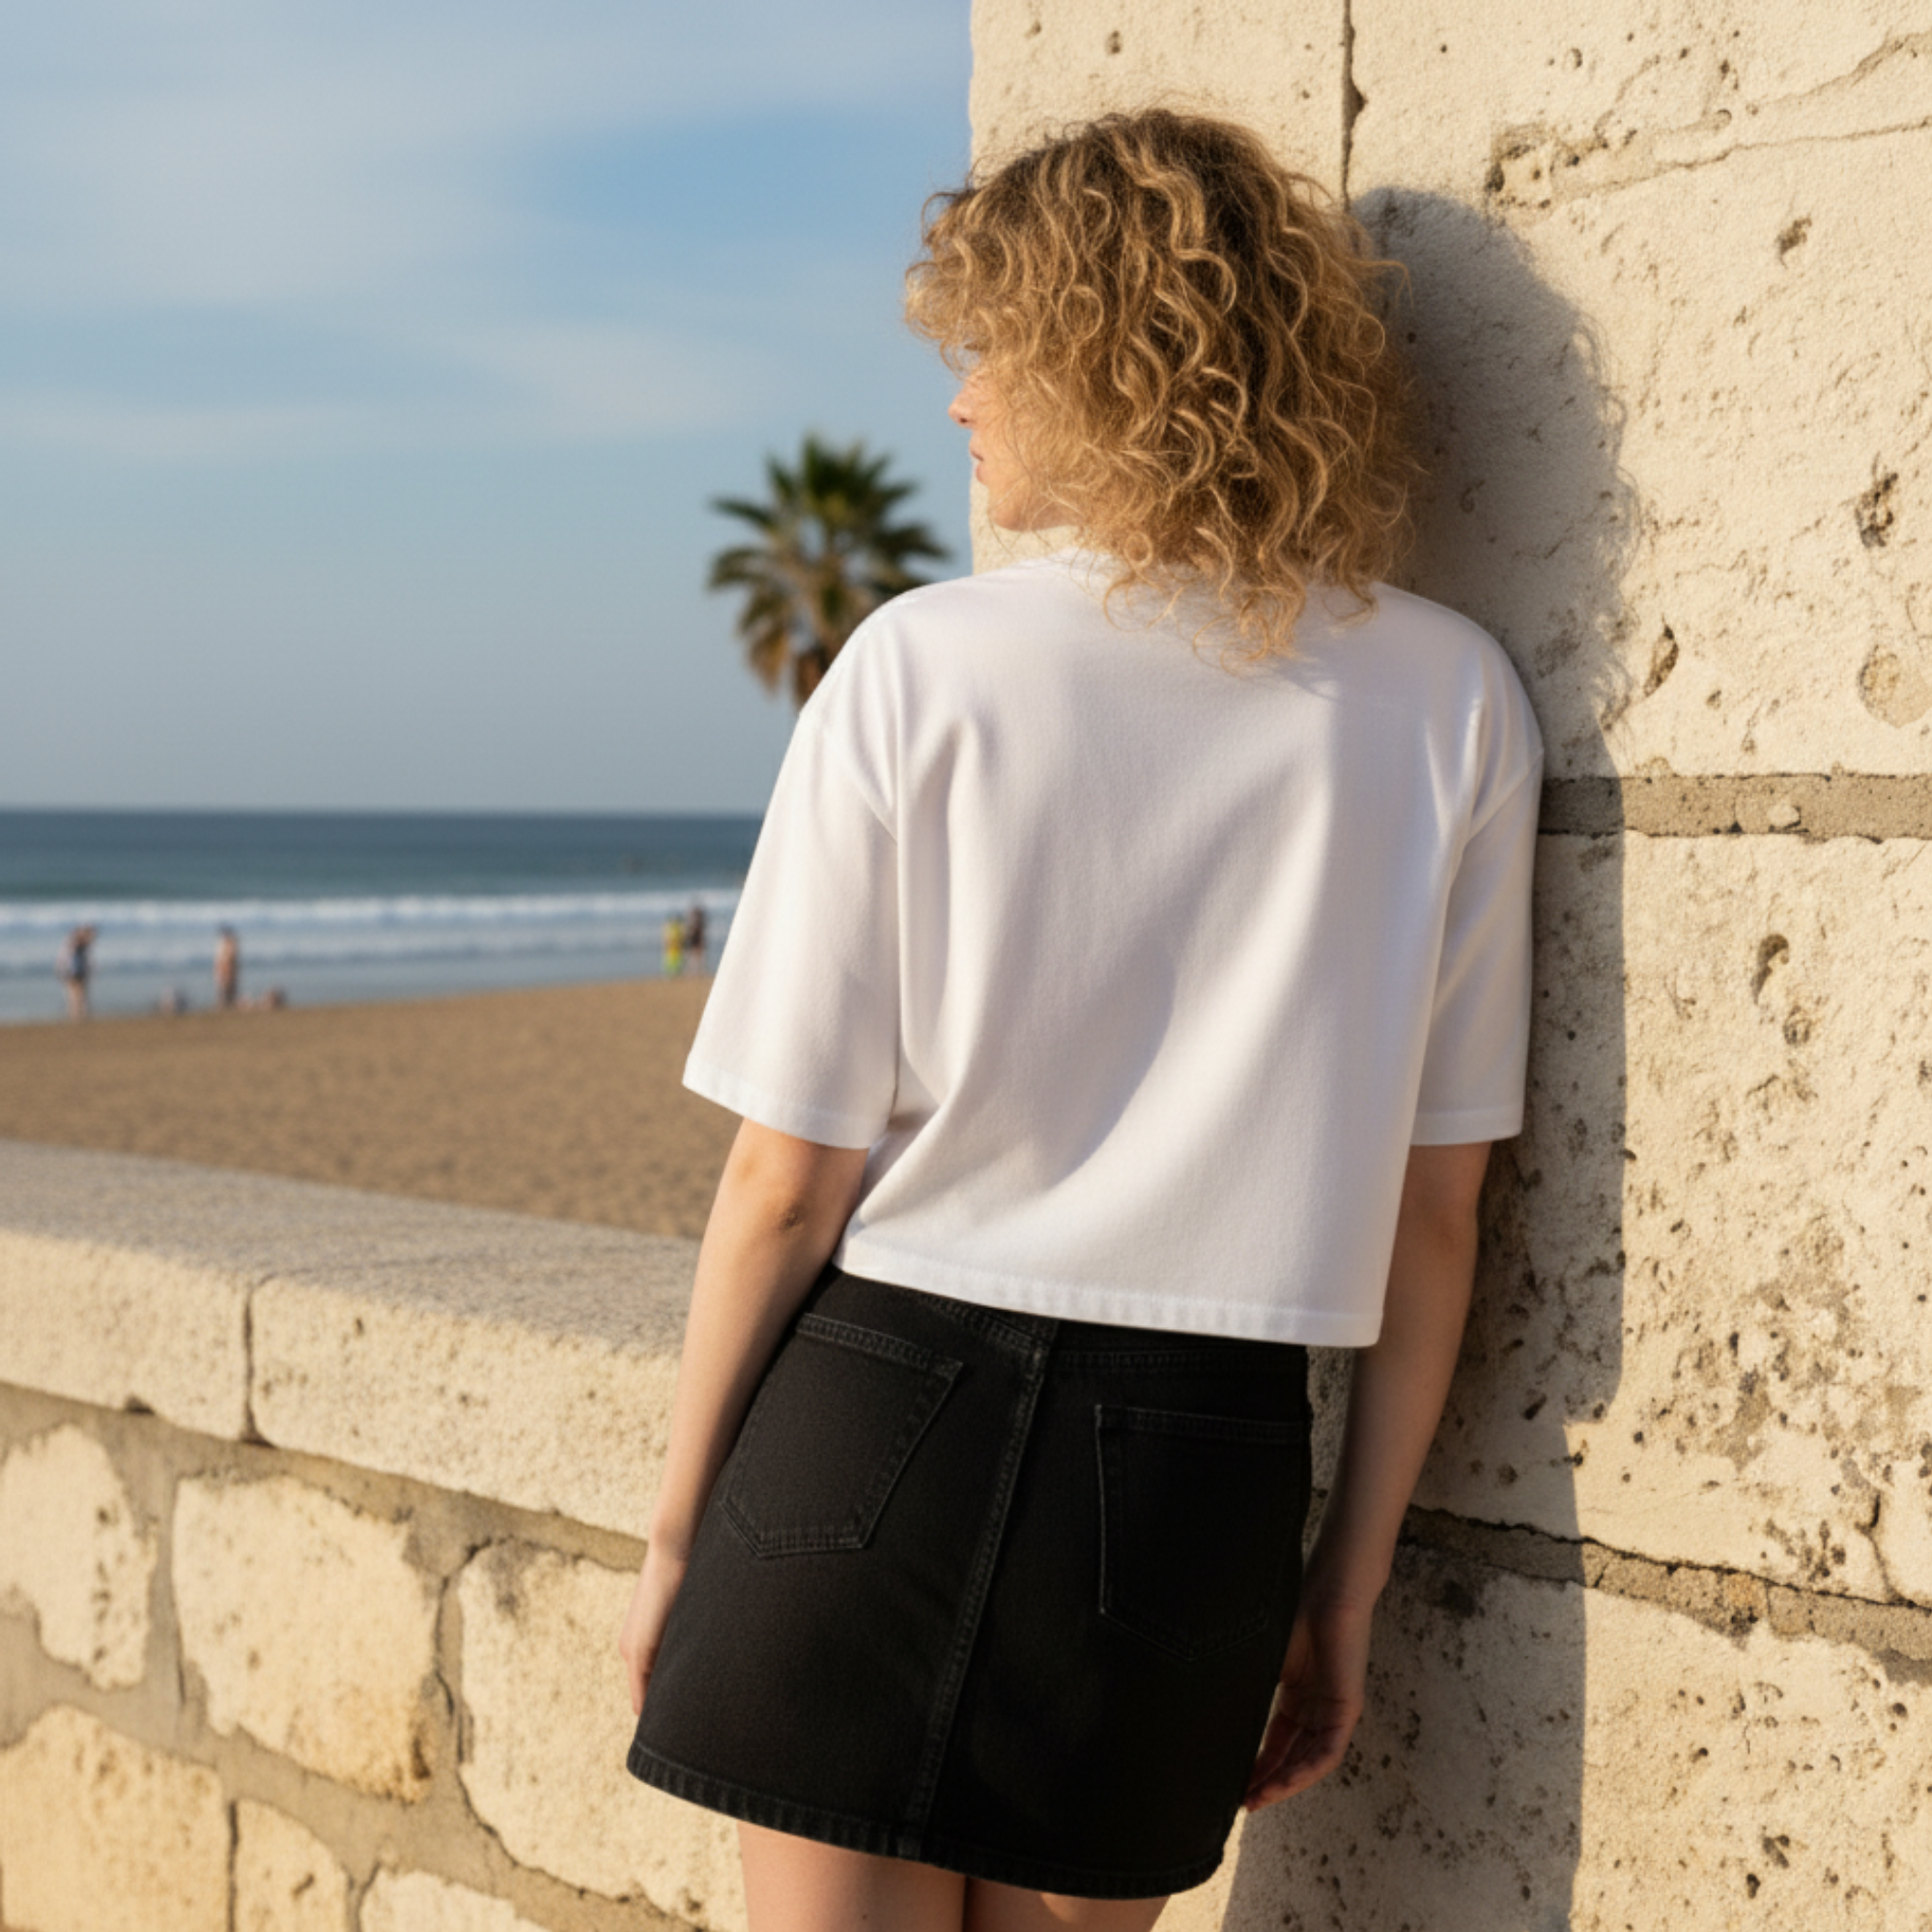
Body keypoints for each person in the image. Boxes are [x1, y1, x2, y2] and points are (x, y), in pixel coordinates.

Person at [619, 108, 1541, 1932]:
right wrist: (1339, 1590)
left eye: (990, 353)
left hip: (865, 1429)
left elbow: (786, 1186)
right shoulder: (1451, 701)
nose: (961, 407)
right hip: (1198, 1478)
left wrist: (673, 1532)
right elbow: (1440, 1215)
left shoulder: (917, 665)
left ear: (1106, 362)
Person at [58, 924, 95, 1021]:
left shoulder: (82, 947)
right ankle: (75, 1015)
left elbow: (86, 962)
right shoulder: (71, 945)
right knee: (75, 995)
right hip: (71, 972)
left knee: (81, 995)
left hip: (78, 971)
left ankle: (80, 1015)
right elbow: (63, 960)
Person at [213, 925, 241, 1009]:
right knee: (225, 989)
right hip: (225, 968)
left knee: (228, 989)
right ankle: (225, 1005)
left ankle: (227, 1005)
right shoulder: (226, 944)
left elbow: (230, 958)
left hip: (227, 968)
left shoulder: (228, 943)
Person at [684, 899, 708, 975]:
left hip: (697, 936)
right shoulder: (695, 919)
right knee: (693, 953)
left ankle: (698, 969)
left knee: (698, 953)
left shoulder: (697, 919)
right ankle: (693, 970)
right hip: (694, 936)